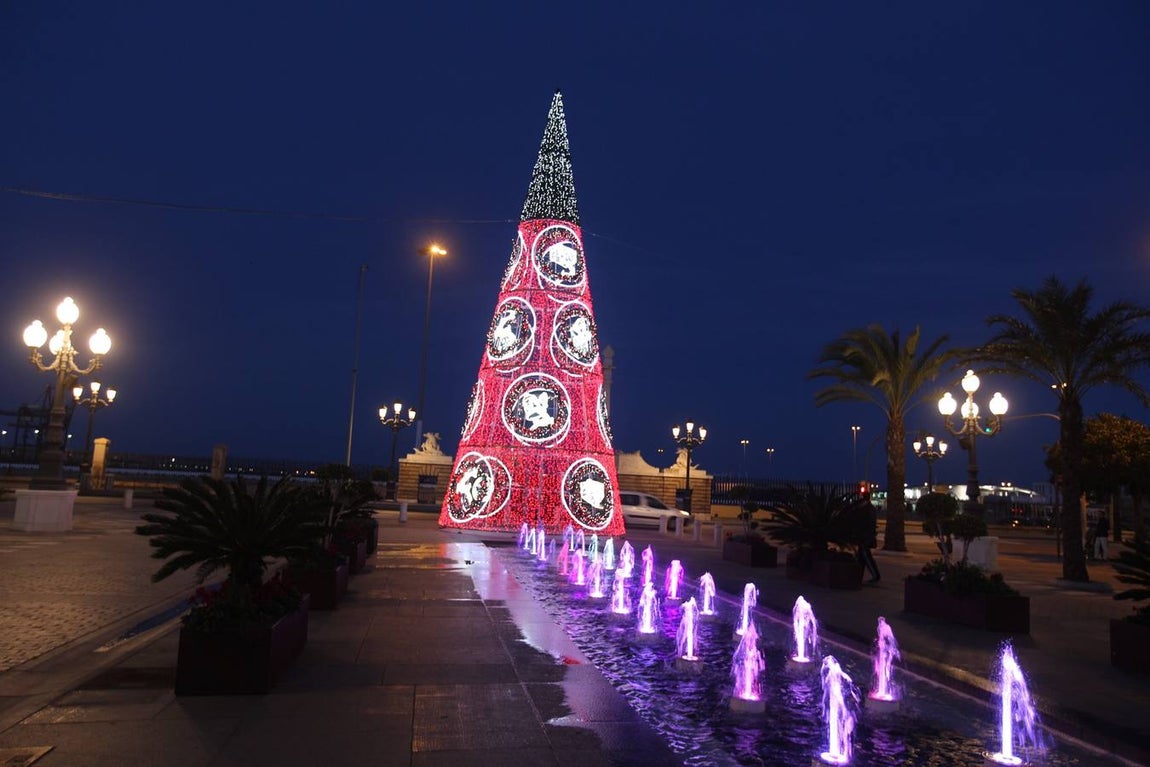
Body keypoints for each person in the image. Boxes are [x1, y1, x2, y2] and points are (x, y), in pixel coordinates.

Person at [856, 499, 881, 583]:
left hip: (865, 538)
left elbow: (864, 524)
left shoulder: (866, 510)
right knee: (862, 557)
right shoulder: (870, 509)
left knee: (865, 556)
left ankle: (875, 575)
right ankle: (858, 576)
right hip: (866, 537)